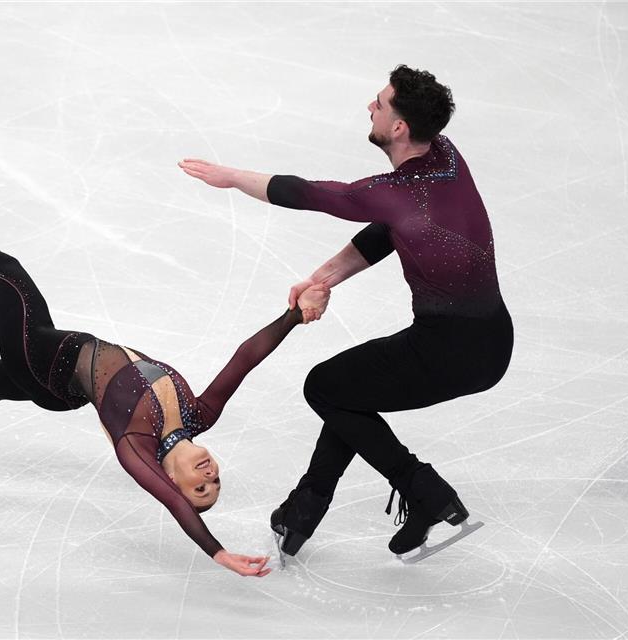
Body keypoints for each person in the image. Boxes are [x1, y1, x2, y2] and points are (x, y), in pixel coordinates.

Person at [0, 146, 330, 577]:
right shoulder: (198, 416)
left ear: (173, 481)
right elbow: (245, 359)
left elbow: (172, 504)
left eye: (202, 489)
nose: (209, 475)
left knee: (7, 275)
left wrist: (217, 552)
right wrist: (294, 316)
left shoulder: (137, 445)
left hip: (40, 360)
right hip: (55, 381)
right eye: (217, 480)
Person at [178, 65, 514, 562]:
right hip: (493, 340)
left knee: (325, 387)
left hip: (448, 350)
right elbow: (392, 228)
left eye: (380, 103)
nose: (370, 107)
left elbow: (309, 193)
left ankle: (425, 490)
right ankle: (301, 514)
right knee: (347, 392)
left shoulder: (397, 194)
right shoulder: (444, 155)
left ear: (399, 127)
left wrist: (231, 178)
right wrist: (324, 278)